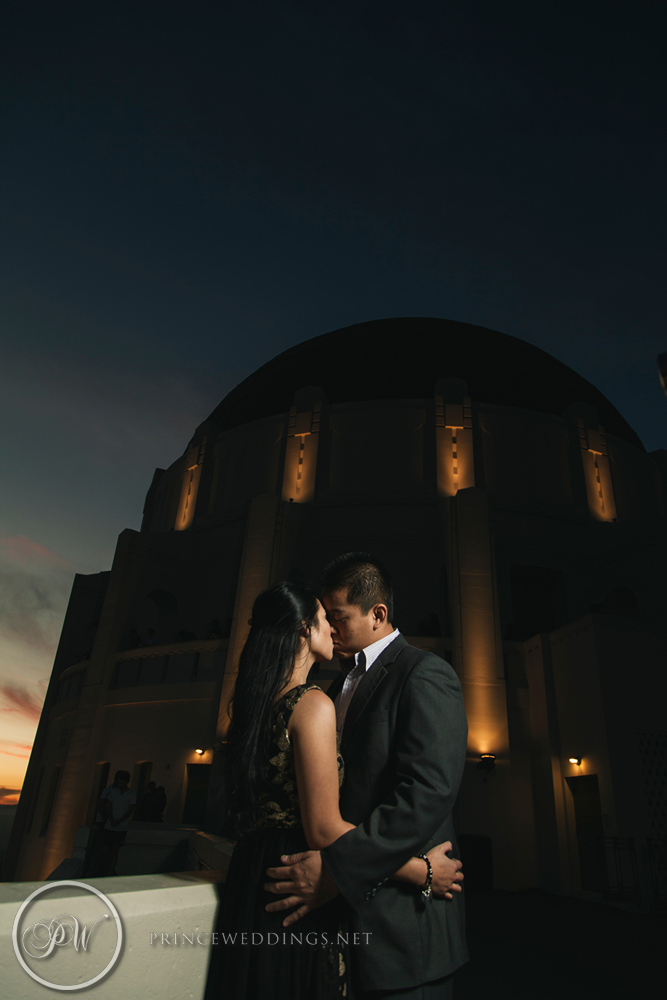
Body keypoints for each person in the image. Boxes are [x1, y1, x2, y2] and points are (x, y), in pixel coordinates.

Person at [213, 581, 461, 1000]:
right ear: (302, 632)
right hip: (297, 877)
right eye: (323, 619)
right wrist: (421, 870)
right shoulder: (312, 704)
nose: (332, 629)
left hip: (252, 876)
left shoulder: (256, 707)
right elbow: (324, 830)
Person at [98, 769, 136, 875]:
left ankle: (109, 871)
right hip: (111, 825)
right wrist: (111, 819)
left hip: (120, 826)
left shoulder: (131, 794)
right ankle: (106, 870)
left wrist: (118, 821)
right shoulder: (113, 792)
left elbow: (130, 810)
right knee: (106, 849)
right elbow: (108, 806)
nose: (120, 783)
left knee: (115, 850)